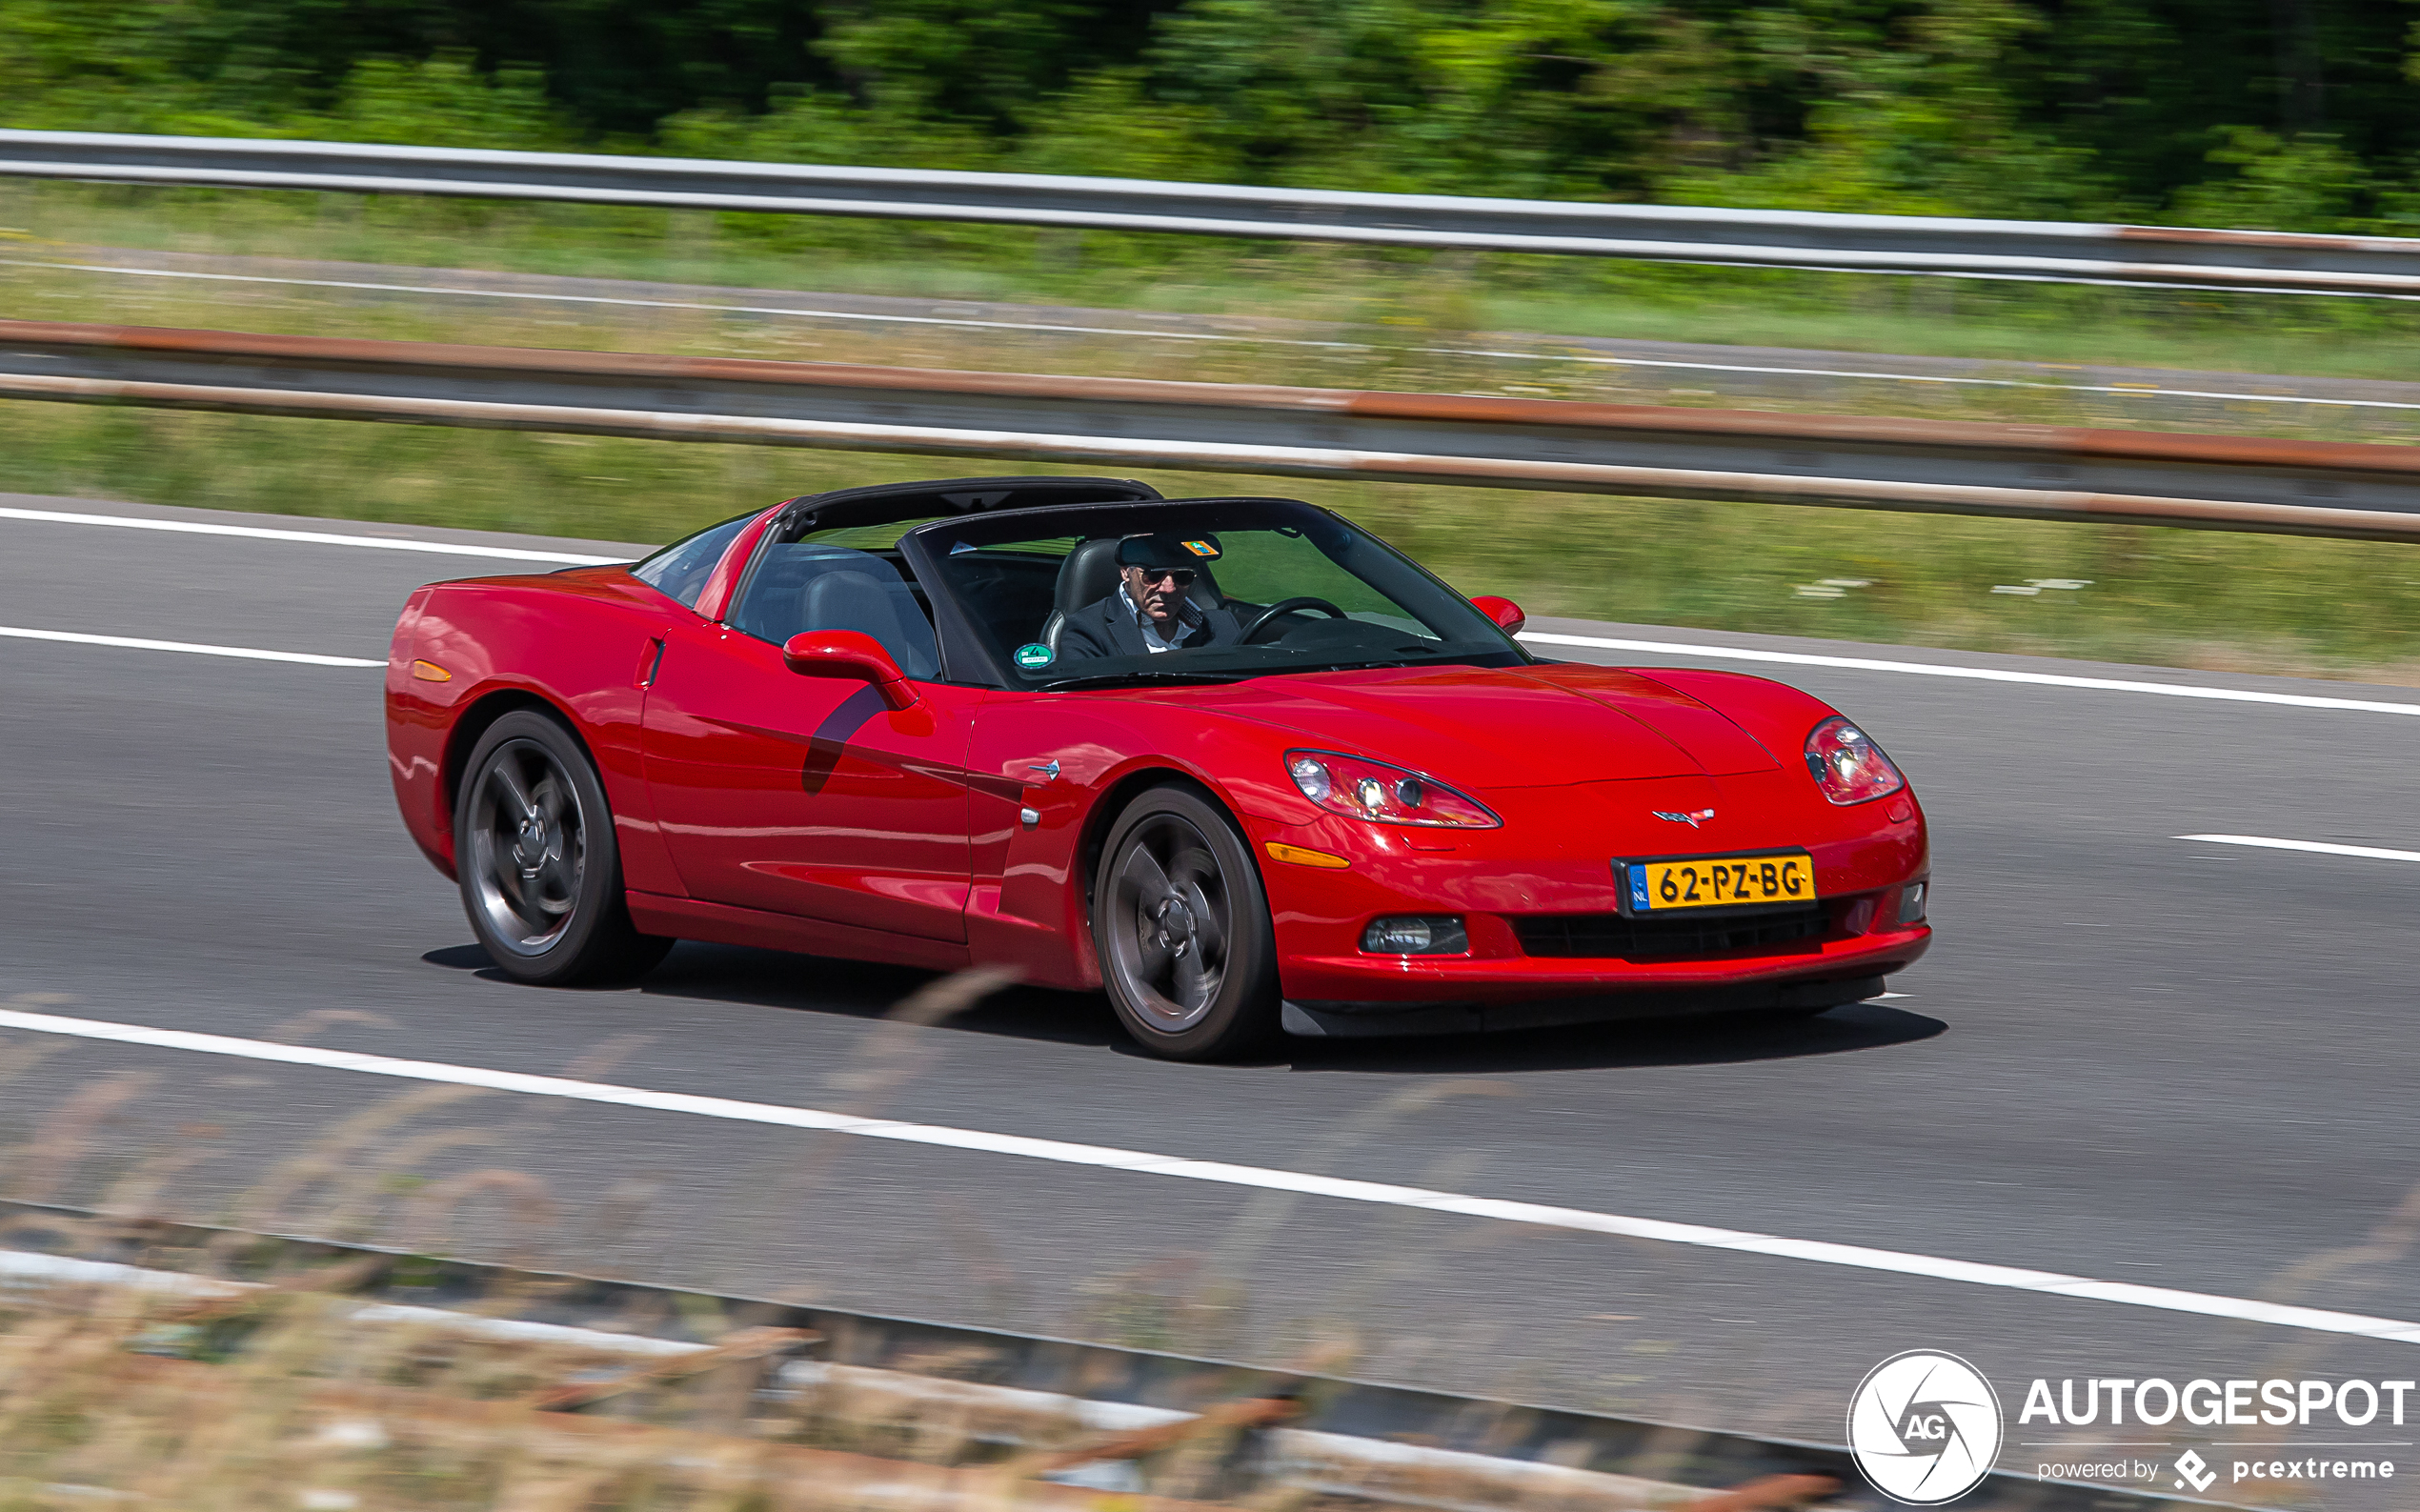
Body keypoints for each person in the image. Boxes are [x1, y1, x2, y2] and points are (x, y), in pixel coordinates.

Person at [1057, 533, 1244, 658]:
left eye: (1182, 576)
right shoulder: (1086, 630)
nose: (1169, 588)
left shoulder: (1223, 625)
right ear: (1125, 572)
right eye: (1153, 575)